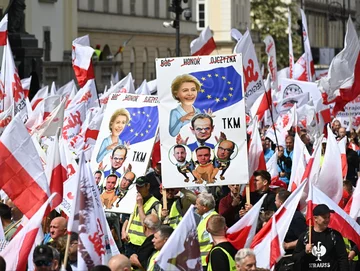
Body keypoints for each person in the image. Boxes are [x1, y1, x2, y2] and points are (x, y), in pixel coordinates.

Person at [292, 204, 349, 271]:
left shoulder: (335, 235)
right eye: (324, 217)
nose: (327, 220)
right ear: (315, 218)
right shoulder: (305, 236)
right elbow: (295, 258)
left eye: (328, 217)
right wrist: (305, 252)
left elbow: (343, 258)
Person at [122, 176, 162, 257]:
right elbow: (128, 217)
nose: (138, 189)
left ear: (148, 186)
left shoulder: (155, 204)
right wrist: (123, 231)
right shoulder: (135, 199)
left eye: (141, 187)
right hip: (130, 241)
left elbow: (147, 224)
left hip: (143, 243)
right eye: (137, 186)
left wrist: (140, 206)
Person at [195, 192, 218, 270]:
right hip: (202, 262)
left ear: (204, 207)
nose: (195, 206)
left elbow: (215, 242)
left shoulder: (213, 219)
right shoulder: (205, 218)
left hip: (208, 263)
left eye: (197, 204)